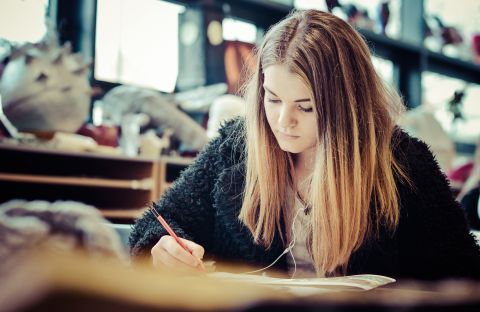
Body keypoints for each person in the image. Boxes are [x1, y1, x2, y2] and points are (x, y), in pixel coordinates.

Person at [129, 10, 480, 280]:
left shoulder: (403, 162)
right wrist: (161, 249)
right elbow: (157, 222)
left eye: (306, 106)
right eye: (273, 99)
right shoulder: (236, 148)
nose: (283, 121)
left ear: (346, 104)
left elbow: (462, 271)